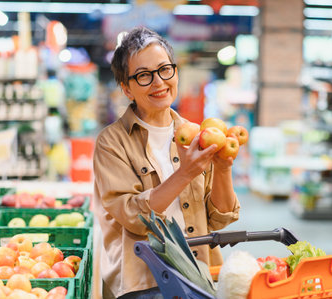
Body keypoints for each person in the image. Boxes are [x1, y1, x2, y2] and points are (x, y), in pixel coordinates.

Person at [93, 26, 240, 299]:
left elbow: (218, 219)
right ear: (126, 88)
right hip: (144, 283)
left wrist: (223, 167)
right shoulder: (111, 143)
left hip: (198, 274)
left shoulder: (198, 134)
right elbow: (133, 217)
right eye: (144, 76)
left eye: (164, 69)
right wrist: (184, 174)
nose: (159, 82)